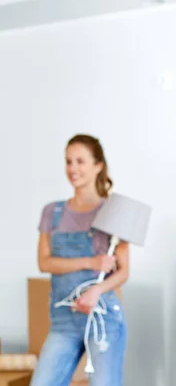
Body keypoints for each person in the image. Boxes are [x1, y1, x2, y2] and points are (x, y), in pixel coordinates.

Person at [30, 134, 129, 386]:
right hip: (64, 319)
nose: (72, 169)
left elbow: (123, 271)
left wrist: (97, 290)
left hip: (103, 318)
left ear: (98, 166)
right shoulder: (52, 212)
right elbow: (45, 262)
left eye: (80, 161)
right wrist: (91, 263)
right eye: (68, 161)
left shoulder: (114, 211)